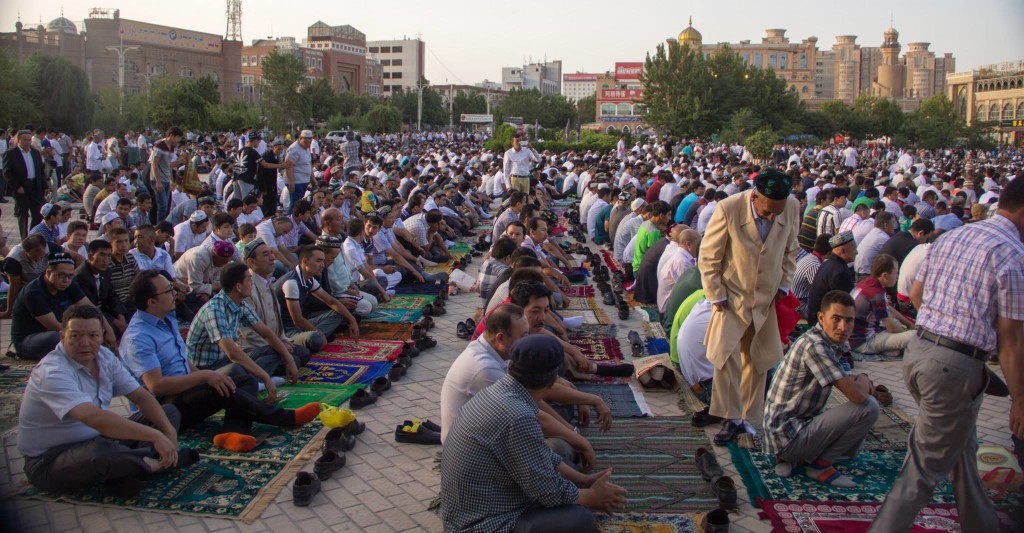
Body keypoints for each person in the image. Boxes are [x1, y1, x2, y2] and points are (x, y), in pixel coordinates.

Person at [871, 177, 1024, 533]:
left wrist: (945, 326)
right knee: (921, 470)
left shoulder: (954, 236)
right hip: (951, 368)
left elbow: (918, 295)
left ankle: (982, 525)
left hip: (920, 352)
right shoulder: (1012, 254)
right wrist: (1020, 397)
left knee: (962, 451)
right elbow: (1012, 341)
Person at [441, 335, 628, 533]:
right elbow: (547, 491)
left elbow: (536, 452)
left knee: (567, 470)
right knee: (581, 519)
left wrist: (581, 481)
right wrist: (591, 497)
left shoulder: (499, 390)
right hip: (479, 525)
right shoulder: (518, 415)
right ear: (552, 381)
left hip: (473, 507)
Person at [120, 270, 320, 453]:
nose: (174, 294)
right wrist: (206, 376)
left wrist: (203, 378)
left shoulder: (165, 319)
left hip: (186, 387)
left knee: (244, 381)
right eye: (168, 291)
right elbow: (156, 386)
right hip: (164, 408)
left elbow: (182, 361)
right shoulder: (139, 337)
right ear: (151, 302)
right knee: (228, 380)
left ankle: (232, 432)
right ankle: (286, 418)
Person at [18, 304, 191, 497]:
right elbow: (95, 418)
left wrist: (168, 432)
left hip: (97, 438)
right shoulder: (52, 372)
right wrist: (156, 436)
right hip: (50, 460)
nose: (85, 343)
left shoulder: (104, 356)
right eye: (75, 336)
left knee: (168, 413)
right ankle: (151, 465)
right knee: (101, 452)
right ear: (62, 336)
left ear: (101, 335)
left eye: (92, 336)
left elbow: (140, 396)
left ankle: (127, 469)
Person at [698, 168, 801, 445]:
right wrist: (716, 293)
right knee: (725, 357)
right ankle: (730, 418)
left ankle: (748, 418)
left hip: (766, 297)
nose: (772, 217)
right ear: (755, 197)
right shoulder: (729, 208)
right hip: (732, 297)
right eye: (768, 211)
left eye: (776, 213)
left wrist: (784, 285)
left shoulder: (790, 207)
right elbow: (708, 256)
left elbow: (791, 249)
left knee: (757, 360)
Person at [764, 290, 880, 488]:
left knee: (855, 442)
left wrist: (858, 381)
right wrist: (865, 378)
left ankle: (795, 458)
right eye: (836, 319)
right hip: (787, 437)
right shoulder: (815, 346)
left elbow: (845, 379)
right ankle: (820, 466)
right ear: (821, 317)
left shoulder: (823, 341)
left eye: (849, 321)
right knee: (869, 407)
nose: (843, 327)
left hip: (786, 431)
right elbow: (857, 395)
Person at [186, 262, 301, 390]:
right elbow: (232, 353)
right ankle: (256, 382)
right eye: (249, 279)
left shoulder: (240, 304)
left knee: (284, 351)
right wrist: (265, 376)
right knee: (236, 369)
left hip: (225, 361)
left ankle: (253, 381)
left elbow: (266, 333)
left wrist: (289, 359)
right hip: (206, 369)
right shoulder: (214, 310)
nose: (252, 283)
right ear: (238, 287)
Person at [11, 253, 116, 360]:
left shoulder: (68, 283)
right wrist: (88, 337)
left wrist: (108, 330)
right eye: (61, 275)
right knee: (57, 338)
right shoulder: (34, 292)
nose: (66, 280)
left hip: (60, 331)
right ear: (48, 272)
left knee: (103, 325)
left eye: (70, 276)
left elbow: (91, 308)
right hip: (29, 340)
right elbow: (54, 326)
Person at [276, 245, 360, 341]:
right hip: (286, 330)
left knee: (343, 312)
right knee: (316, 339)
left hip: (301, 323)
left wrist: (352, 320)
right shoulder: (291, 283)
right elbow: (297, 320)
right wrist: (319, 334)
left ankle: (314, 336)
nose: (322, 265)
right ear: (305, 261)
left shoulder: (309, 279)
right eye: (318, 261)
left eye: (323, 261)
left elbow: (331, 301)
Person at [849, 254, 915, 355]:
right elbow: (891, 328)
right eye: (896, 273)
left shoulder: (867, 283)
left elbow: (888, 309)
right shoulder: (877, 294)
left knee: (898, 323)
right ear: (884, 276)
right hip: (863, 343)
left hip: (853, 339)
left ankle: (892, 350)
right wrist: (906, 332)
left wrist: (909, 324)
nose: (897, 277)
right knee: (914, 336)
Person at [73, 239, 129, 336]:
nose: (106, 260)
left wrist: (120, 316)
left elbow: (112, 296)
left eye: (109, 256)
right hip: (87, 316)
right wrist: (115, 321)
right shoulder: (81, 276)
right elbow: (89, 307)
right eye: (102, 255)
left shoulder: (105, 271)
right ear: (90, 256)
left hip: (105, 312)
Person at [806, 231, 858, 327]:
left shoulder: (829, 263)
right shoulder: (840, 272)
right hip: (822, 323)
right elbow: (845, 304)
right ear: (843, 251)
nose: (857, 252)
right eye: (854, 249)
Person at [4, 129, 49, 238]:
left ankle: (33, 236)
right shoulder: (11, 154)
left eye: (29, 140)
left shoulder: (35, 153)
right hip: (22, 187)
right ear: (18, 140)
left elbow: (40, 171)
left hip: (35, 187)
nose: (28, 142)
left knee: (38, 214)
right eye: (25, 140)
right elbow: (7, 173)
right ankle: (24, 239)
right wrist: (17, 187)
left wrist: (45, 186)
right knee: (23, 215)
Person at [174, 239, 235, 316]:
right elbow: (194, 287)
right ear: (214, 256)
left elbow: (215, 280)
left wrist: (207, 293)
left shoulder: (220, 261)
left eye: (227, 262)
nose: (224, 264)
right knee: (204, 307)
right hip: (182, 287)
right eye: (223, 261)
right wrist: (214, 287)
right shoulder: (198, 257)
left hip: (201, 287)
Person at [656, 227, 701, 315]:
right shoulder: (681, 262)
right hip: (667, 310)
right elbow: (691, 289)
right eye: (698, 245)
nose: (700, 248)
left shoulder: (681, 256)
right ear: (688, 244)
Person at [149, 127, 189, 222]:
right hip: (158, 179)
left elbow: (169, 165)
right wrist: (158, 182)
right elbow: (154, 164)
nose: (178, 140)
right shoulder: (160, 146)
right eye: (177, 138)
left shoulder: (171, 148)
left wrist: (171, 180)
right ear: (171, 136)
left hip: (166, 179)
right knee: (162, 205)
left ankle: (163, 225)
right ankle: (160, 226)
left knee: (167, 205)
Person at [793, 234, 831, 318]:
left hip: (796, 300)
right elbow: (818, 292)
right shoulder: (814, 265)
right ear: (829, 253)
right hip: (799, 305)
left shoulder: (809, 257)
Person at [854, 211, 897, 280]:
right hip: (866, 274)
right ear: (886, 225)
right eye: (892, 223)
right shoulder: (883, 238)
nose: (894, 226)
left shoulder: (874, 232)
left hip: (859, 271)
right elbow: (893, 257)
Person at [283, 130, 314, 213]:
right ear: (300, 138)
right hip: (296, 181)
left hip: (303, 180)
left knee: (299, 204)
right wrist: (291, 183)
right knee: (296, 205)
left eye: (309, 142)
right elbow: (288, 166)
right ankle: (291, 221)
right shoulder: (294, 149)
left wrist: (312, 177)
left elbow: (309, 163)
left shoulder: (306, 148)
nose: (308, 144)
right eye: (306, 142)